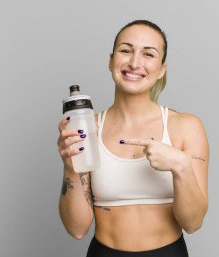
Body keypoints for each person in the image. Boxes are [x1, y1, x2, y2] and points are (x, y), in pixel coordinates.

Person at [57, 20, 209, 257]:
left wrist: (181, 167)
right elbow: (76, 229)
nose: (135, 62)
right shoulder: (87, 129)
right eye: (126, 50)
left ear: (161, 69)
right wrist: (70, 166)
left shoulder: (186, 127)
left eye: (148, 54)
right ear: (111, 61)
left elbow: (193, 223)